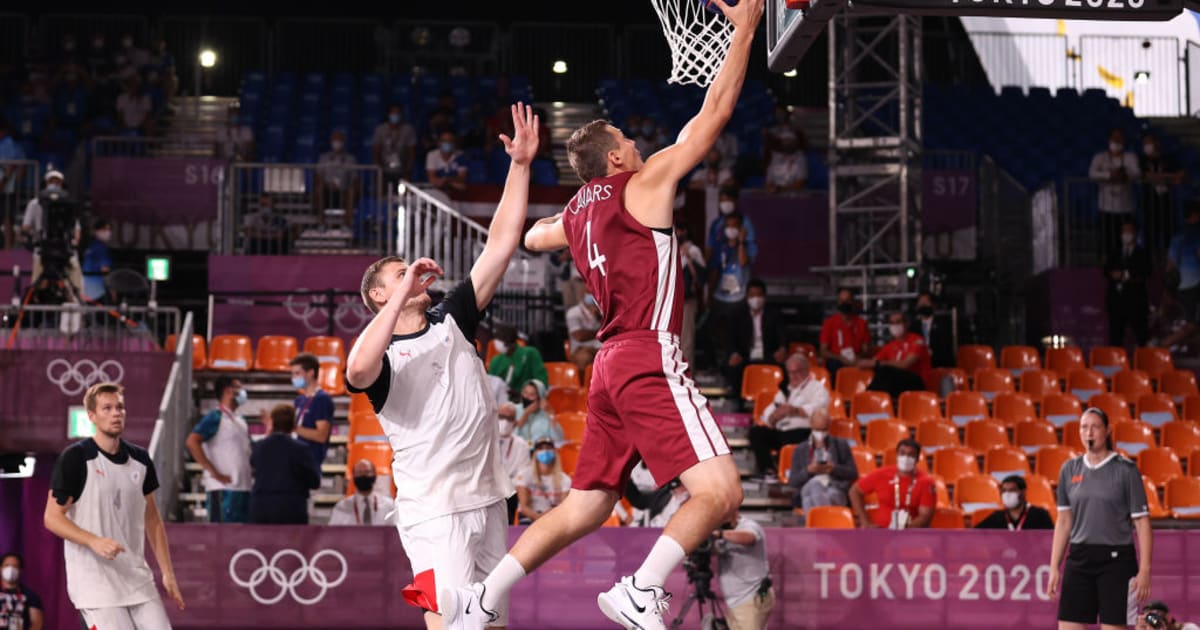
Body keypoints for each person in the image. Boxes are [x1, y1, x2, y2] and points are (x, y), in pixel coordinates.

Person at [444, 3, 762, 628]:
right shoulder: (643, 186)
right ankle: (642, 588)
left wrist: (529, 177)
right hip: (647, 352)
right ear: (616, 160)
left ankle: (485, 597)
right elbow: (714, 114)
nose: (640, 145)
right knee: (722, 493)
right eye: (629, 142)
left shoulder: (573, 216)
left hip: (607, 365)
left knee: (586, 506)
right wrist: (746, 27)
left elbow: (530, 236)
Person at [344, 103, 540, 629]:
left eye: (412, 270)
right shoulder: (381, 355)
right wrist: (401, 294)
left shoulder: (452, 317)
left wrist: (519, 166)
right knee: (448, 623)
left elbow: (499, 246)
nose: (412, 276)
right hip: (432, 511)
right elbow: (355, 373)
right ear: (378, 296)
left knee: (493, 624)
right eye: (398, 274)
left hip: (489, 499)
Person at [43, 382, 185, 629]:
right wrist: (93, 541)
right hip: (95, 585)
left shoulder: (140, 459)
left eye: (119, 407)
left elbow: (152, 519)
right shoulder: (76, 458)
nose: (116, 413)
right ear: (92, 416)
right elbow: (52, 518)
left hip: (137, 579)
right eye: (106, 408)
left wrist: (168, 572)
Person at [1048, 407, 1153, 630]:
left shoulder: (1126, 470)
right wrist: (1054, 566)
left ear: (1107, 431)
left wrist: (1144, 570)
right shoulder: (1069, 469)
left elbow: (1142, 523)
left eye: (1095, 427)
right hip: (1079, 558)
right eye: (1084, 427)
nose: (1089, 432)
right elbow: (1064, 520)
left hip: (1116, 562)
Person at [748, 353, 829, 477]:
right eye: (790, 372)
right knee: (756, 432)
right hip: (782, 431)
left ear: (806, 370)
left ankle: (787, 471)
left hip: (804, 432)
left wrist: (793, 410)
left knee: (790, 436)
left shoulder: (817, 389)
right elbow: (768, 413)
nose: (793, 376)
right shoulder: (785, 391)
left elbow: (818, 410)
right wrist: (774, 417)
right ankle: (768, 470)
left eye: (797, 372)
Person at [185, 376, 251, 523]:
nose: (243, 392)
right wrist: (214, 472)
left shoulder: (241, 421)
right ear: (228, 391)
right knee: (221, 537)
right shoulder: (215, 417)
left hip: (244, 487)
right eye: (239, 387)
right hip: (223, 489)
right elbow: (192, 441)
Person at [248, 403, 321, 525]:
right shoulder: (301, 449)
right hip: (292, 508)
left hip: (261, 509)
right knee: (292, 545)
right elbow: (314, 481)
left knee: (262, 544)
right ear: (293, 425)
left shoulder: (259, 447)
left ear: (273, 423)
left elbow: (253, 467)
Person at [848, 439, 935, 529]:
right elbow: (854, 491)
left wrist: (903, 531)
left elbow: (925, 516)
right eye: (902, 453)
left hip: (911, 533)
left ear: (917, 459)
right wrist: (864, 521)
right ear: (897, 455)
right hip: (881, 532)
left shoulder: (926, 482)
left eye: (911, 455)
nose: (906, 457)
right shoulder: (882, 474)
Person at [21, 169, 83, 293]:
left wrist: (74, 241)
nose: (54, 185)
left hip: (65, 250)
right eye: (51, 181)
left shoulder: (68, 204)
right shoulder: (35, 203)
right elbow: (26, 226)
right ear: (46, 184)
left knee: (76, 283)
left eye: (57, 182)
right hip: (42, 251)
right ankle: (35, 305)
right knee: (37, 285)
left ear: (62, 185)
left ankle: (78, 308)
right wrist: (32, 237)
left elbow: (76, 228)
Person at [786, 410, 858, 510]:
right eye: (817, 430)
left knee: (810, 497)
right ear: (811, 425)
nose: (820, 434)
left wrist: (834, 469)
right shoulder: (800, 449)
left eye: (824, 430)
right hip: (809, 486)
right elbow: (793, 481)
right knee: (814, 486)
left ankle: (815, 523)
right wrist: (809, 471)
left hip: (835, 489)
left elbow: (853, 473)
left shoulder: (841, 445)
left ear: (829, 426)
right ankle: (827, 522)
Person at [714, 513, 774, 630]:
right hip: (736, 600)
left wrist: (719, 534)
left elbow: (750, 538)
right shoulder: (723, 530)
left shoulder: (748, 525)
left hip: (750, 597)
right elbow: (715, 550)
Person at [1089, 128, 1141, 256]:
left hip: (1126, 208)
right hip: (1106, 208)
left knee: (1126, 241)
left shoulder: (1130, 157)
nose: (1117, 141)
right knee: (1106, 241)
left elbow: (1137, 173)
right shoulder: (1100, 157)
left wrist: (1124, 175)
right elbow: (1092, 174)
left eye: (1119, 138)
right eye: (1114, 138)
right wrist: (1110, 175)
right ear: (1109, 140)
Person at [858, 311, 931, 400]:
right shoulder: (890, 346)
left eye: (898, 322)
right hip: (897, 385)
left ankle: (868, 398)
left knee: (886, 370)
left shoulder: (917, 340)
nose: (895, 325)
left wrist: (881, 363)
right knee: (882, 372)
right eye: (892, 323)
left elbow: (905, 364)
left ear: (906, 324)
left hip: (916, 383)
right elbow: (870, 362)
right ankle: (870, 399)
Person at [1104, 221, 1152, 347]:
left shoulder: (1143, 253)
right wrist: (1113, 274)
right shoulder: (1115, 252)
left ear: (1135, 233)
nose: (1126, 234)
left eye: (1129, 231)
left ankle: (1144, 362)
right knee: (1116, 337)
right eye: (1123, 231)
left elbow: (1147, 271)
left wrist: (1127, 275)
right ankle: (1116, 364)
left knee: (1142, 335)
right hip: (1116, 301)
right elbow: (1106, 270)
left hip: (1136, 301)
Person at [1161, 203, 1200, 349]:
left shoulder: (1178, 235)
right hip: (1194, 285)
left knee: (1196, 325)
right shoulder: (1196, 234)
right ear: (1195, 216)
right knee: (1192, 325)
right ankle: (1160, 348)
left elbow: (1170, 265)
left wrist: (1169, 288)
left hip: (1183, 286)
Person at [1139, 134, 1184, 257]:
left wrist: (1163, 177)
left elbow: (1181, 174)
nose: (1147, 146)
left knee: (1168, 235)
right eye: (1145, 143)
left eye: (1149, 142)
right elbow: (1147, 175)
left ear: (1157, 143)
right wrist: (1169, 177)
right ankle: (1149, 263)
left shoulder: (1169, 159)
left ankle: (1170, 262)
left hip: (1166, 203)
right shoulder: (1142, 160)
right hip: (1149, 204)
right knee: (1149, 236)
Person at [290, 353, 334, 467]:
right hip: (296, 458)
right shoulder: (299, 399)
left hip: (310, 461)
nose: (294, 378)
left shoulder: (322, 399)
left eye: (297, 373)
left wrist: (292, 427)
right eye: (293, 374)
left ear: (311, 373)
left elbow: (321, 435)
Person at [515, 437, 572, 523]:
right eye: (540, 448)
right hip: (529, 518)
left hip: (554, 518)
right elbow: (524, 507)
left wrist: (547, 518)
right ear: (535, 453)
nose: (545, 451)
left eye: (548, 448)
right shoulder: (524, 475)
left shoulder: (565, 479)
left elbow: (563, 506)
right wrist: (539, 519)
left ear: (554, 452)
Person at [819, 288, 869, 378]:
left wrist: (857, 358)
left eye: (847, 300)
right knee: (833, 365)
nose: (844, 303)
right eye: (841, 300)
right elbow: (823, 351)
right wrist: (840, 358)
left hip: (856, 361)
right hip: (836, 362)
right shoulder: (829, 323)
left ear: (853, 302)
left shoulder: (862, 323)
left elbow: (866, 350)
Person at [974, 475, 1055, 530]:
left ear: (1023, 492)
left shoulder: (1040, 514)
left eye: (1012, 490)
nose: (1007, 494)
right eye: (1004, 491)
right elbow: (974, 533)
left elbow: (1050, 539)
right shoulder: (997, 517)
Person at [488, 324, 548, 397]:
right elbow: (491, 387)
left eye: (501, 341)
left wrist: (524, 394)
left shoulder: (531, 353)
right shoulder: (496, 361)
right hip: (502, 402)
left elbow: (541, 382)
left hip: (528, 400)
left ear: (511, 343)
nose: (497, 344)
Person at [676, 221, 707, 364]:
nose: (678, 233)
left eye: (680, 230)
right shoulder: (667, 247)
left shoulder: (693, 250)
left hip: (686, 301)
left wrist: (688, 257)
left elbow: (702, 277)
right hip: (670, 301)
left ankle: (687, 375)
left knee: (686, 339)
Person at [315, 130, 360, 226]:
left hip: (343, 191)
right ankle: (321, 223)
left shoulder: (350, 159)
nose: (337, 142)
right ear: (331, 141)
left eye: (339, 140)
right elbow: (318, 176)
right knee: (319, 188)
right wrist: (326, 184)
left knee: (351, 191)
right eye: (335, 140)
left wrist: (349, 186)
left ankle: (346, 224)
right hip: (327, 190)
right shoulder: (323, 158)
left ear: (343, 142)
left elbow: (355, 178)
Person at [328, 459, 393, 526]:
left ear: (375, 475)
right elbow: (333, 533)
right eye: (359, 472)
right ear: (353, 476)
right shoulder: (341, 507)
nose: (363, 475)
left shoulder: (389, 506)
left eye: (367, 472)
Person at [497, 403, 533, 524]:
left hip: (509, 492)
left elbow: (523, 473)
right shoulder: (484, 440)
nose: (505, 421)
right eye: (501, 417)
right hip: (487, 489)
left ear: (515, 422)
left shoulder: (521, 444)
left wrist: (505, 486)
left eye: (509, 418)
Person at [706, 186, 758, 263]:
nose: (724, 204)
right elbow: (710, 247)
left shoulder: (745, 222)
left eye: (727, 200)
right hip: (719, 267)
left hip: (739, 267)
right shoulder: (716, 223)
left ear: (735, 200)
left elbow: (751, 250)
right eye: (722, 201)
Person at [373, 104, 417, 185]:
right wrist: (379, 170)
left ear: (401, 115)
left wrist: (408, 171)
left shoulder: (408, 129)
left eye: (397, 113)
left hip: (402, 170)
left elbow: (411, 152)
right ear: (388, 114)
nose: (395, 115)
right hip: (384, 170)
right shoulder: (380, 129)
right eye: (393, 113)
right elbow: (376, 151)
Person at [0, 553, 44, 630]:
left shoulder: (31, 595)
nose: (11, 569)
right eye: (7, 565)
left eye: (15, 566)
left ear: (21, 570)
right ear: (1, 568)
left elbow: (37, 623)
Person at [910, 292, 954, 369]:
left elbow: (946, 348)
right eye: (920, 302)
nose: (923, 305)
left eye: (926, 302)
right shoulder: (913, 326)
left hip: (939, 364)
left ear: (933, 305)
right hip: (919, 364)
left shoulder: (943, 324)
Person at [514, 379, 563, 444]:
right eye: (525, 393)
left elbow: (558, 439)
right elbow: (510, 436)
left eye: (532, 395)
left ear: (540, 398)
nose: (526, 397)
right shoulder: (514, 409)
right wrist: (525, 415)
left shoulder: (546, 414)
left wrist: (550, 413)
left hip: (539, 451)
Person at [565, 293, 603, 374]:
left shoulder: (602, 310)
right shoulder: (573, 312)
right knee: (584, 357)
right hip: (581, 349)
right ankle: (583, 385)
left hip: (602, 348)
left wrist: (599, 318)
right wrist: (601, 332)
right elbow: (579, 336)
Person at [764, 129, 807, 195]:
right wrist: (771, 188)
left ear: (794, 142)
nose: (787, 143)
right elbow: (769, 182)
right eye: (784, 140)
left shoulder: (800, 158)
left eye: (789, 140)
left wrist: (782, 189)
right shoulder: (775, 158)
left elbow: (800, 183)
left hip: (794, 197)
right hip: (775, 196)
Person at [80, 218, 113, 301]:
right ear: (96, 231)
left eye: (109, 229)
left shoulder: (90, 247)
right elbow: (105, 271)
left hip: (85, 292)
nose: (107, 232)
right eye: (104, 229)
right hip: (98, 293)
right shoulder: (101, 248)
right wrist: (112, 291)